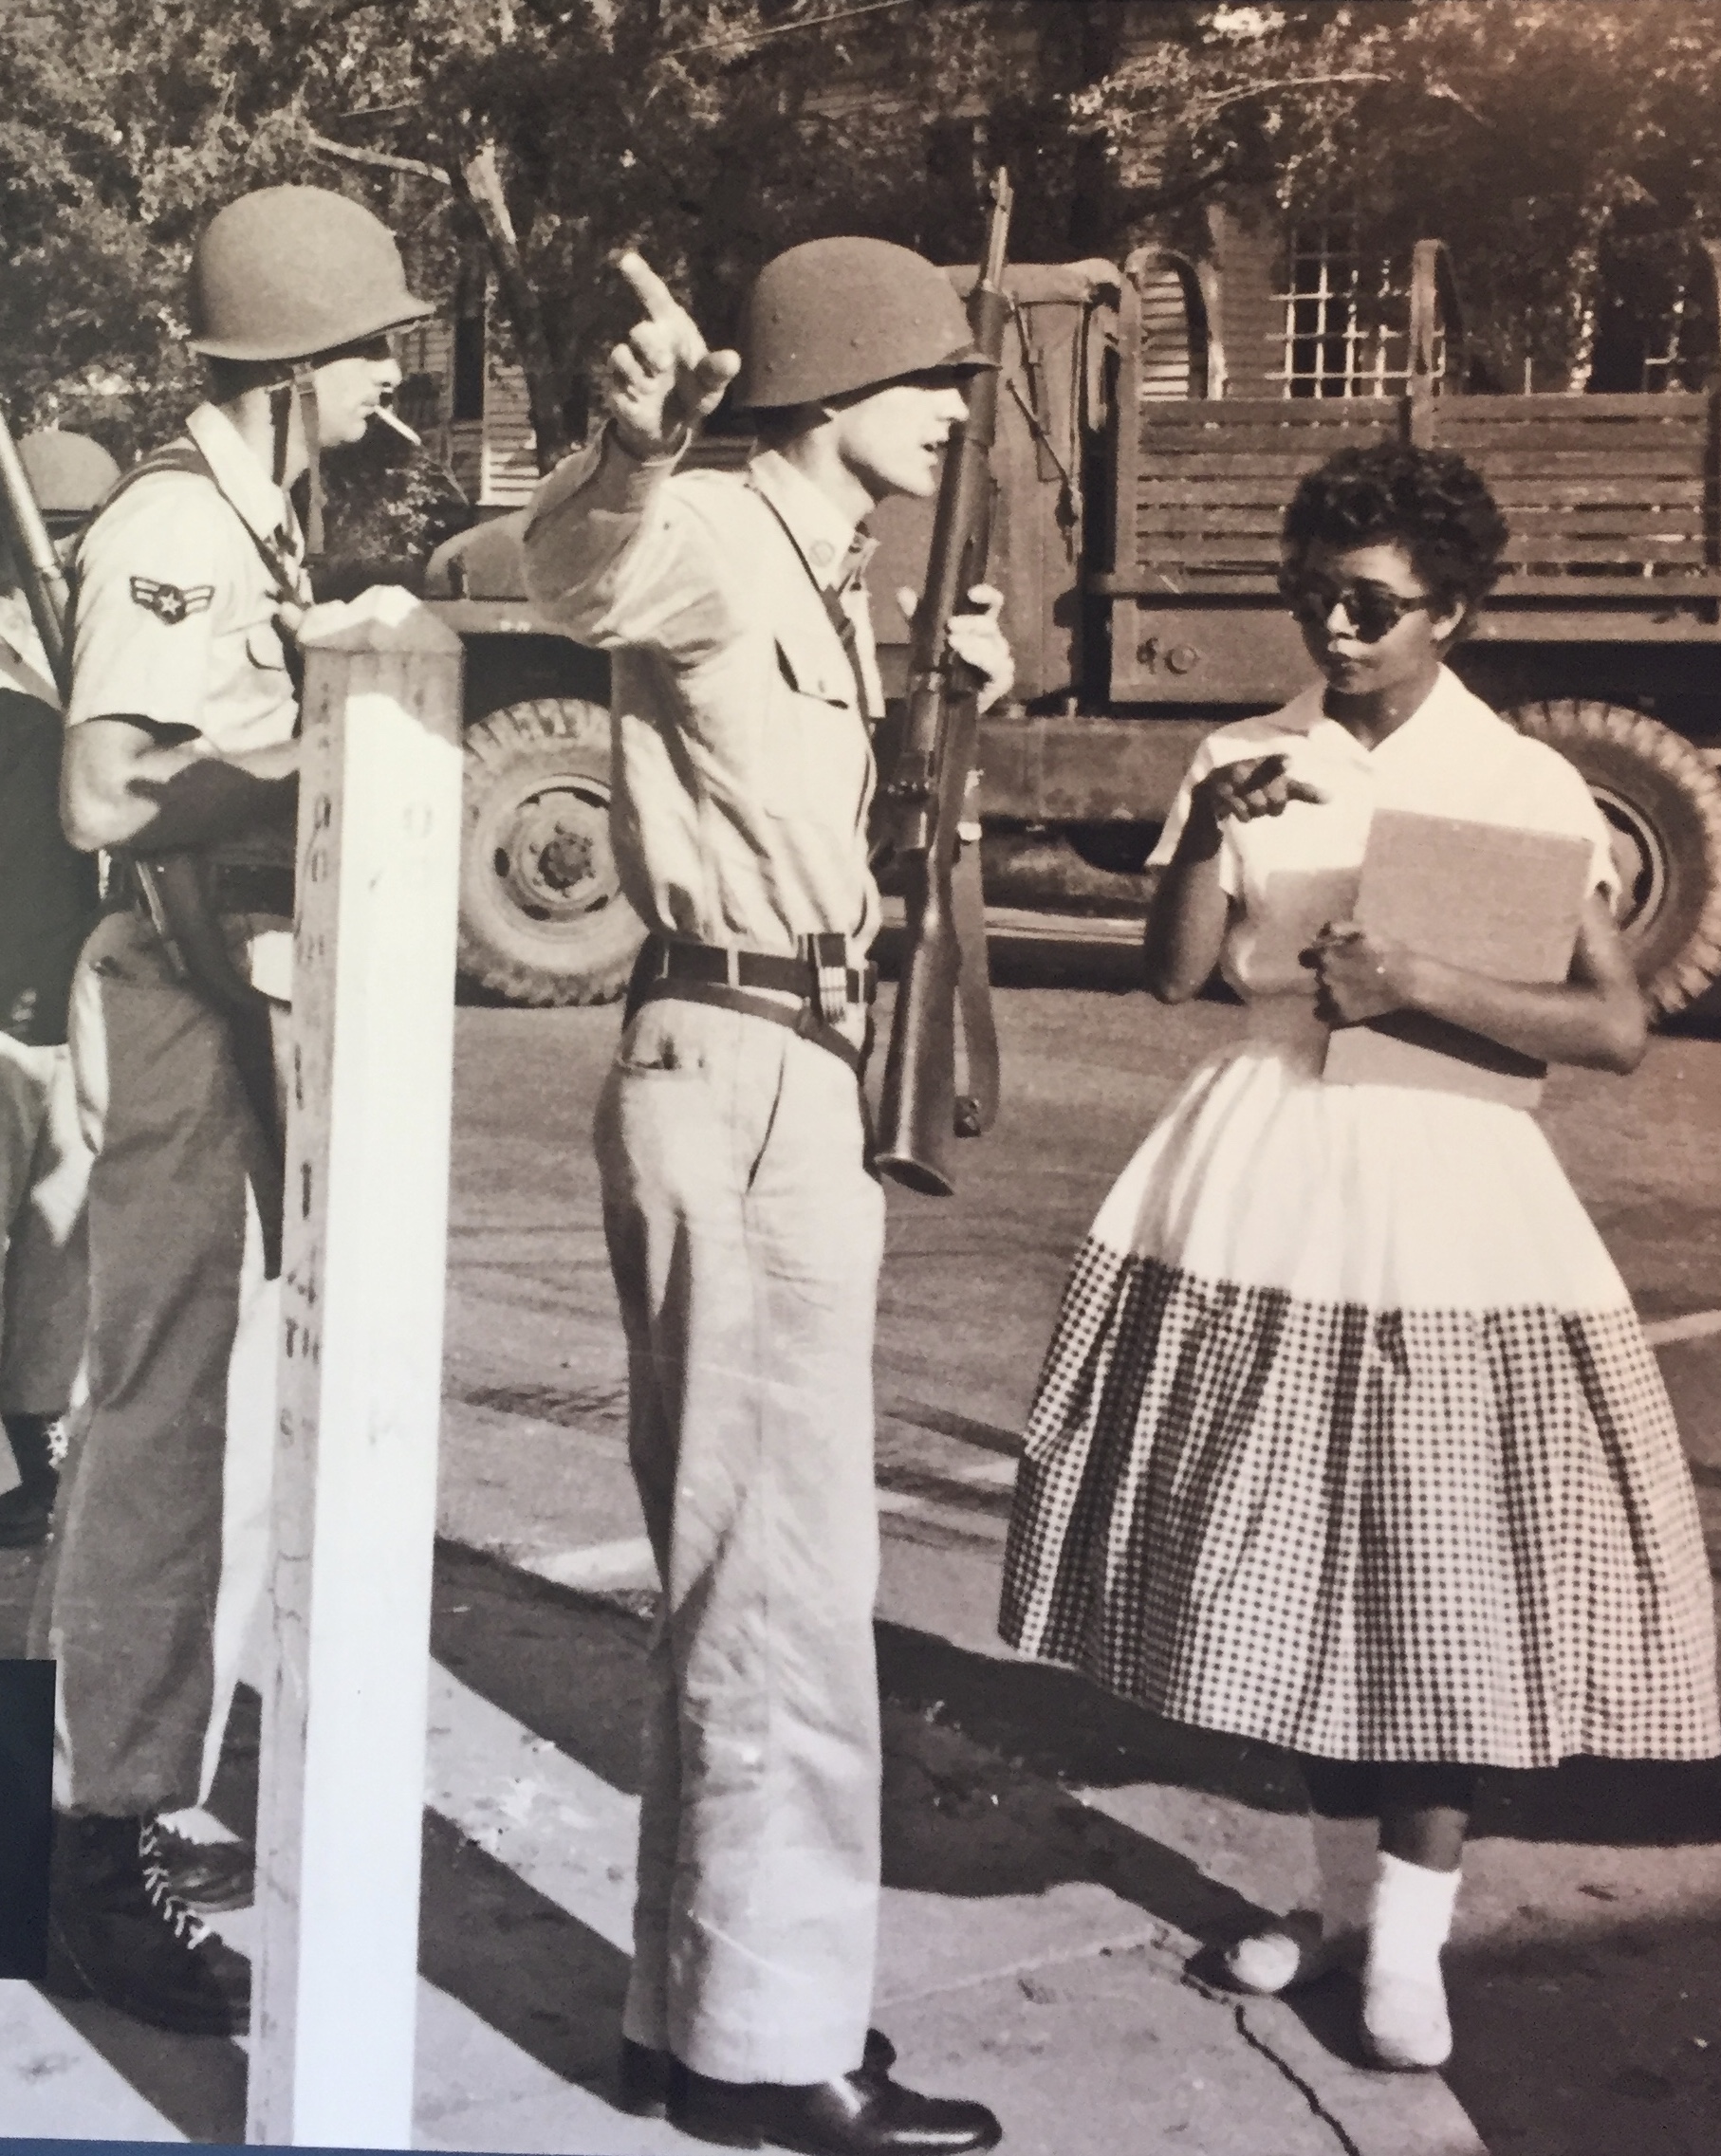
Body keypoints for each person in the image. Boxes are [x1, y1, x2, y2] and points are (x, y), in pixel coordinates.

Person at [999, 440, 1720, 2074]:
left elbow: (1612, 1026)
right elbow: (1177, 976)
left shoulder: (1520, 782)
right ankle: (1334, 1914)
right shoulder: (1246, 752)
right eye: (1312, 596)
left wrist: (1418, 981)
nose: (1333, 627)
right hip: (1263, 1178)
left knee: (1430, 1568)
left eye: (1371, 603)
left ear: (1450, 611)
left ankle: (1408, 1947)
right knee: (1297, 1564)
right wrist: (1206, 833)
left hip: (1445, 1189)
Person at [524, 238, 1011, 2153]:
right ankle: (766, 2048)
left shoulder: (832, 564)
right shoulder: (720, 527)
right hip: (735, 1061)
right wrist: (633, 447)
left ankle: (691, 2008)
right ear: (831, 385)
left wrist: (952, 712)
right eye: (929, 380)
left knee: (752, 1564)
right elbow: (583, 575)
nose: (955, 412)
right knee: (785, 1581)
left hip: (787, 1059)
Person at [37, 184, 431, 2037]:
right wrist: (322, 737)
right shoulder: (175, 527)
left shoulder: (257, 512)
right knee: (162, 1425)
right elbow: (107, 790)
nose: (387, 380)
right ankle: (95, 1844)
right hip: (179, 1000)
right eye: (371, 350)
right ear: (296, 362)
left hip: (235, 996)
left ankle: (135, 1798)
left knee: (217, 1428)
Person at [0, 432, 116, 1548]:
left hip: (64, 990)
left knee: (55, 1244)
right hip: (11, 1008)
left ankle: (37, 1455)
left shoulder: (74, 662)